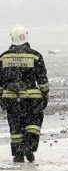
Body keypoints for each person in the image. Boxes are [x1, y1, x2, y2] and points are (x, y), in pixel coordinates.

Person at [0, 24, 50, 162]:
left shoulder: (3, 57)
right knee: (33, 124)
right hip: (31, 98)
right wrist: (45, 95)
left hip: (10, 98)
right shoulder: (35, 56)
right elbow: (42, 80)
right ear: (26, 37)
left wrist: (1, 98)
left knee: (16, 126)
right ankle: (28, 150)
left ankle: (18, 154)